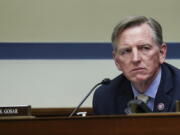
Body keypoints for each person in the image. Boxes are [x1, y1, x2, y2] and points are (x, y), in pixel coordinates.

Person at [93, 16, 180, 115]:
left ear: (161, 53)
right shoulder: (105, 97)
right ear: (116, 60)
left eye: (144, 48)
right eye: (126, 51)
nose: (135, 59)